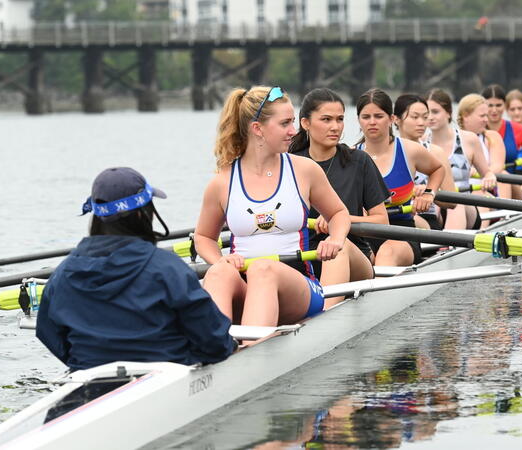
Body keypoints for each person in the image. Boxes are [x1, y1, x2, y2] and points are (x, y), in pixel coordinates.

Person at [36, 167, 236, 371]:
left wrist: (86, 361)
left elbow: (48, 333)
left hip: (87, 378)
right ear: (142, 215)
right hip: (166, 377)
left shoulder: (63, 274)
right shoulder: (167, 268)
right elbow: (215, 343)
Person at [194, 86, 350, 332]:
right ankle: (212, 353)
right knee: (217, 274)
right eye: (285, 123)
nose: (294, 131)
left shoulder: (304, 170)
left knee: (263, 269)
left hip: (299, 288)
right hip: (245, 285)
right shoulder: (222, 182)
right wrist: (220, 261)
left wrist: (336, 238)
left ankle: (251, 352)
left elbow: (339, 214)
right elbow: (203, 237)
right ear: (258, 129)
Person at [289, 88, 389, 309]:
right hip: (303, 257)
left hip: (352, 257)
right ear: (305, 123)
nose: (335, 127)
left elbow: (382, 221)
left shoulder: (359, 161)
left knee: (337, 247)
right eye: (326, 119)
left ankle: (322, 319)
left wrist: (339, 222)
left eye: (340, 119)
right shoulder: (289, 163)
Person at [355, 88, 445, 266]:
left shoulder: (409, 150)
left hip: (401, 233)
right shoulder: (349, 156)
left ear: (391, 119)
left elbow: (437, 169)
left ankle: (377, 291)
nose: (372, 122)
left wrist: (429, 193)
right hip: (363, 234)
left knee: (387, 253)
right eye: (366, 117)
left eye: (379, 116)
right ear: (358, 120)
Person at [426, 88, 497, 229]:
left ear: (448, 113)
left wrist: (489, 178)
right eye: (426, 113)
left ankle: (450, 247)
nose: (430, 117)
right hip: (433, 209)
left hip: (464, 206)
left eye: (435, 112)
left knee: (455, 202)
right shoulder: (421, 143)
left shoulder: (469, 140)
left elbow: (487, 173)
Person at [393, 93, 457, 231]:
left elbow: (452, 202)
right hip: (390, 216)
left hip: (425, 219)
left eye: (425, 117)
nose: (422, 123)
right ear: (396, 119)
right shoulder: (386, 152)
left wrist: (429, 191)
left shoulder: (436, 152)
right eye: (415, 117)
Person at [481, 84, 522, 199]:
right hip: (482, 185)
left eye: (498, 105)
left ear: (505, 106)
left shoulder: (517, 129)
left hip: (512, 186)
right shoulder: (475, 129)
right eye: (489, 105)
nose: (494, 110)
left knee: (503, 174)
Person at [457, 93, 512, 199]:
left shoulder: (492, 137)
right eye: (482, 116)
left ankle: (505, 214)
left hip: (488, 188)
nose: (486, 120)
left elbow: (498, 166)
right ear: (465, 116)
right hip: (461, 191)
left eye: (486, 115)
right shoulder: (452, 139)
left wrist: (481, 172)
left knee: (504, 174)